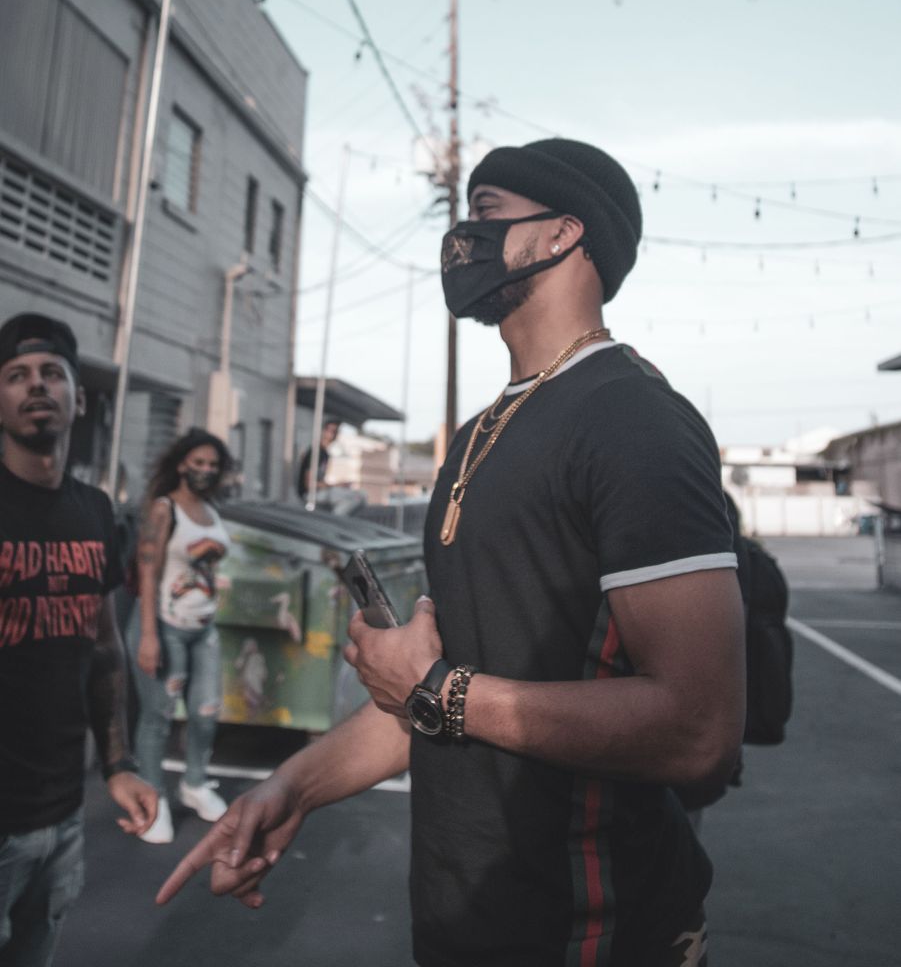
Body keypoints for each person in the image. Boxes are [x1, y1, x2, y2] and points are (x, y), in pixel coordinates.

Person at [158, 139, 745, 967]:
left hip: (593, 933)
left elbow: (698, 728)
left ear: (562, 233)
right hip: (459, 924)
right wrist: (292, 786)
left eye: (487, 212)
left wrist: (438, 688)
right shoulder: (476, 436)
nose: (461, 239)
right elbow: (434, 697)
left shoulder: (633, 419)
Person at [0, 312, 157, 966]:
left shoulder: (94, 512)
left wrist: (118, 765)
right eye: (16, 375)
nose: (36, 385)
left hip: (63, 812)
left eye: (52, 372)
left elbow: (103, 649)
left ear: (79, 398)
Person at [129, 429, 232, 844]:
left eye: (213, 464)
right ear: (181, 464)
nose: (205, 470)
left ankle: (195, 783)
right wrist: (148, 636)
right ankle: (152, 798)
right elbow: (147, 572)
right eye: (198, 462)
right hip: (164, 628)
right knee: (158, 716)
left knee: (206, 712)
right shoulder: (164, 509)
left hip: (202, 629)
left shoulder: (211, 510)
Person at [296, 420, 339, 500]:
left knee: (354, 495)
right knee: (354, 497)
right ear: (323, 431)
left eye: (335, 431)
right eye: (329, 430)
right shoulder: (315, 453)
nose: (331, 434)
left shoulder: (325, 454)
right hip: (308, 494)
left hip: (318, 491)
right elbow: (309, 484)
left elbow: (320, 480)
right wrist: (333, 485)